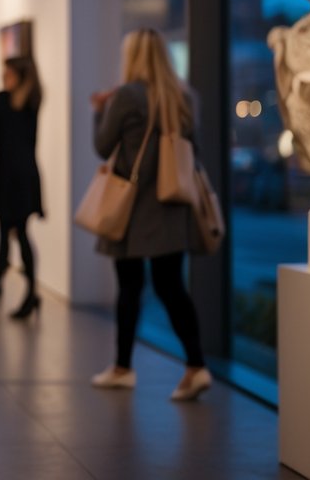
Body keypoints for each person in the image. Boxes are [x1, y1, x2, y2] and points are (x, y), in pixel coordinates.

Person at [89, 28, 212, 401]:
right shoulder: (185, 96)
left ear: (134, 57)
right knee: (172, 287)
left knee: (130, 287)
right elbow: (195, 151)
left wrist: (100, 112)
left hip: (131, 207)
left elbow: (102, 146)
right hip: (172, 207)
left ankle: (123, 368)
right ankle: (196, 366)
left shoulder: (126, 96)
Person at [0, 55, 44, 319]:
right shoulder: (33, 101)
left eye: (8, 75)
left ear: (19, 76)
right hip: (27, 176)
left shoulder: (0, 100)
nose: (4, 79)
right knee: (15, 232)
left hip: (6, 177)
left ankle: (25, 293)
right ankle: (16, 289)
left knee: (10, 232)